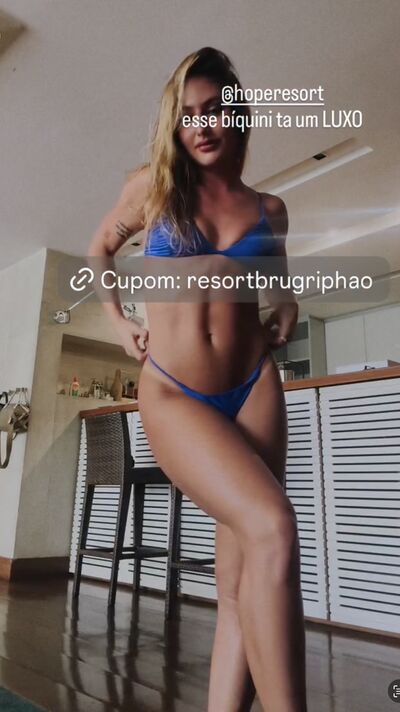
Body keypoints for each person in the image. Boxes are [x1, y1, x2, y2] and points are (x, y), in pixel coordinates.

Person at [88, 47, 307, 712]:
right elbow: (100, 248)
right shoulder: (152, 189)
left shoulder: (269, 210)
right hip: (175, 391)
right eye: (187, 115)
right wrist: (120, 322)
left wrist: (287, 308)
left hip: (254, 385)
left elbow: (278, 285)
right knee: (274, 526)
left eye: (214, 110)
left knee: (243, 581)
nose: (202, 125)